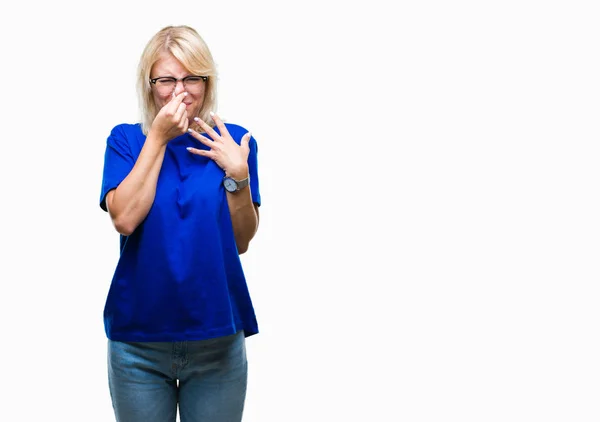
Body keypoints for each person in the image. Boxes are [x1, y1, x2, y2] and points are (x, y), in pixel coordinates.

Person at [99, 24, 261, 422]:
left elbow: (241, 241)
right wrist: (157, 138)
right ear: (149, 83)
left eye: (192, 79)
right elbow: (124, 218)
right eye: (167, 80)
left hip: (217, 340)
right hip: (138, 342)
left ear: (208, 82)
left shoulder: (234, 141)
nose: (180, 91)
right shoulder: (126, 141)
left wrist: (238, 176)